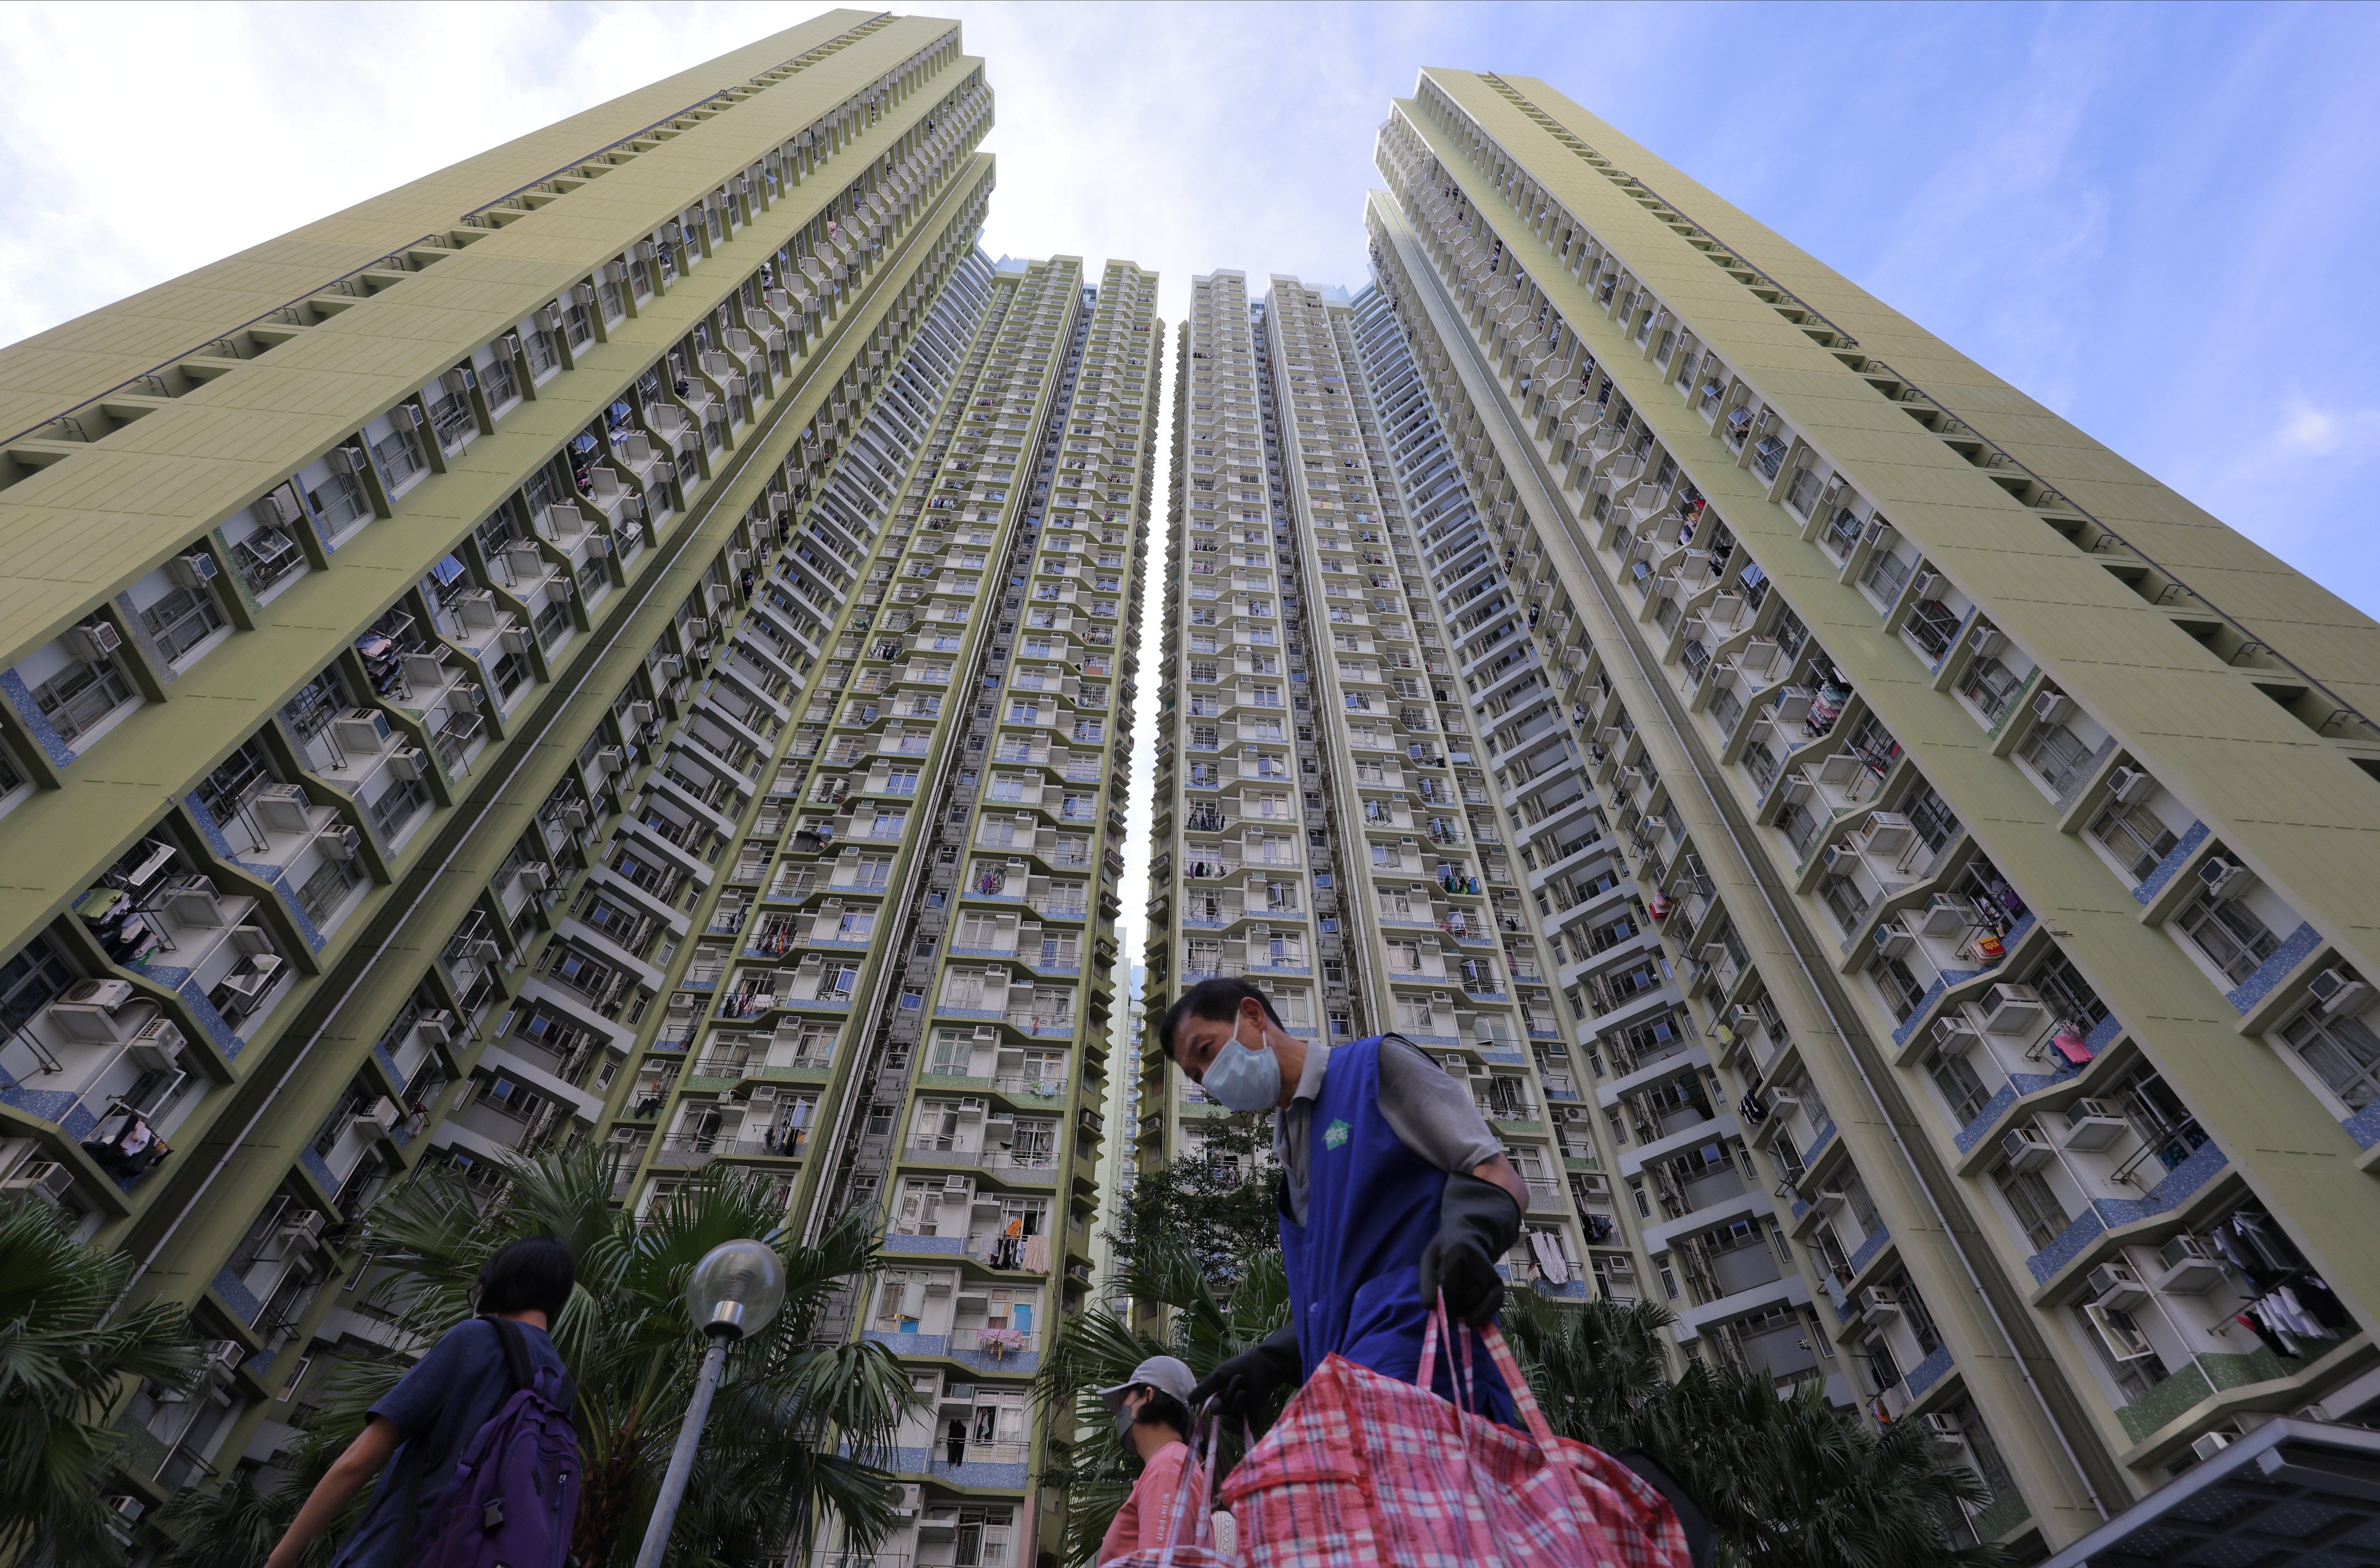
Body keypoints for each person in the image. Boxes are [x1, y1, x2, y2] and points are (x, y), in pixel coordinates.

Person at [1166, 979, 1529, 1425]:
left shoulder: (1373, 1067)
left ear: (1254, 1015)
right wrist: (1273, 1359)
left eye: (1206, 1051)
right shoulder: (1288, 1155)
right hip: (1346, 1399)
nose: (1210, 1078)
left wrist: (1469, 1240)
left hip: (1426, 1375)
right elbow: (1346, 1294)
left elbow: (1495, 1172)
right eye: (1198, 1076)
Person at [264, 1237, 576, 1568]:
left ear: (501, 1282)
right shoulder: (561, 1385)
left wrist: (281, 1557)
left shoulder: (476, 1338)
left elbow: (358, 1461)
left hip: (400, 1551)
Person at [1095, 1356, 1202, 1564]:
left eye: (1124, 1398)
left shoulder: (1169, 1466)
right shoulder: (1171, 1463)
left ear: (1147, 1396)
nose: (1119, 1411)